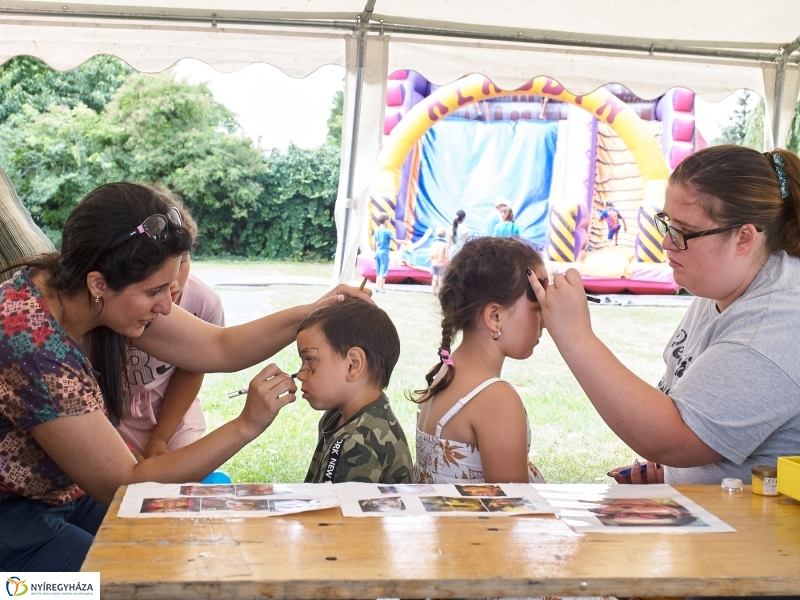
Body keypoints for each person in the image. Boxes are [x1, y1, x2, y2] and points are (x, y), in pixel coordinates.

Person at [0, 182, 369, 571]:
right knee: (121, 585)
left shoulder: (84, 289)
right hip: (14, 522)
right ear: (98, 284)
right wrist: (245, 424)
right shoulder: (30, 344)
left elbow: (219, 346)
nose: (166, 305)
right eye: (155, 291)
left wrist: (313, 312)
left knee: (175, 553)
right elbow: (127, 483)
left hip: (63, 494)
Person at [529, 145, 800, 486]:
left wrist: (575, 336)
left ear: (743, 237)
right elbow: (696, 418)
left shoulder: (776, 321)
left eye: (683, 232)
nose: (667, 243)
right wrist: (672, 474)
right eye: (667, 224)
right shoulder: (727, 283)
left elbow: (675, 439)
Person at [411, 236, 546, 484]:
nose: (545, 321)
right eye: (537, 308)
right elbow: (511, 504)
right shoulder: (496, 399)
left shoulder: (446, 372)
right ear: (495, 317)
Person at [117, 192, 225, 458]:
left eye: (182, 260)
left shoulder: (205, 303)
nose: (173, 281)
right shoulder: (112, 301)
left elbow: (195, 368)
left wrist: (160, 438)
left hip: (174, 411)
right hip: (110, 412)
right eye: (158, 266)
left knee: (183, 472)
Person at [297, 299, 413, 484]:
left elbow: (333, 503)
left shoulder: (357, 444)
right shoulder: (337, 416)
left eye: (309, 359)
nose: (300, 374)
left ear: (353, 364)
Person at [373, 212, 394, 294]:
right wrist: (403, 242)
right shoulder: (387, 231)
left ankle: (377, 288)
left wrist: (374, 252)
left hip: (378, 252)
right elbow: (395, 241)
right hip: (384, 253)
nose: (389, 222)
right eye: (389, 220)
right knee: (383, 272)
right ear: (386, 221)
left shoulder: (376, 230)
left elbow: (374, 243)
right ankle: (381, 289)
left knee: (378, 272)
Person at [429, 226, 449, 294]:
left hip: (434, 263)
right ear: (445, 235)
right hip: (442, 264)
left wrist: (431, 261)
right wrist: (448, 263)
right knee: (441, 279)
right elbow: (446, 255)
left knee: (434, 278)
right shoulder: (445, 245)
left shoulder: (434, 243)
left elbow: (431, 254)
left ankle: (434, 291)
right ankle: (440, 291)